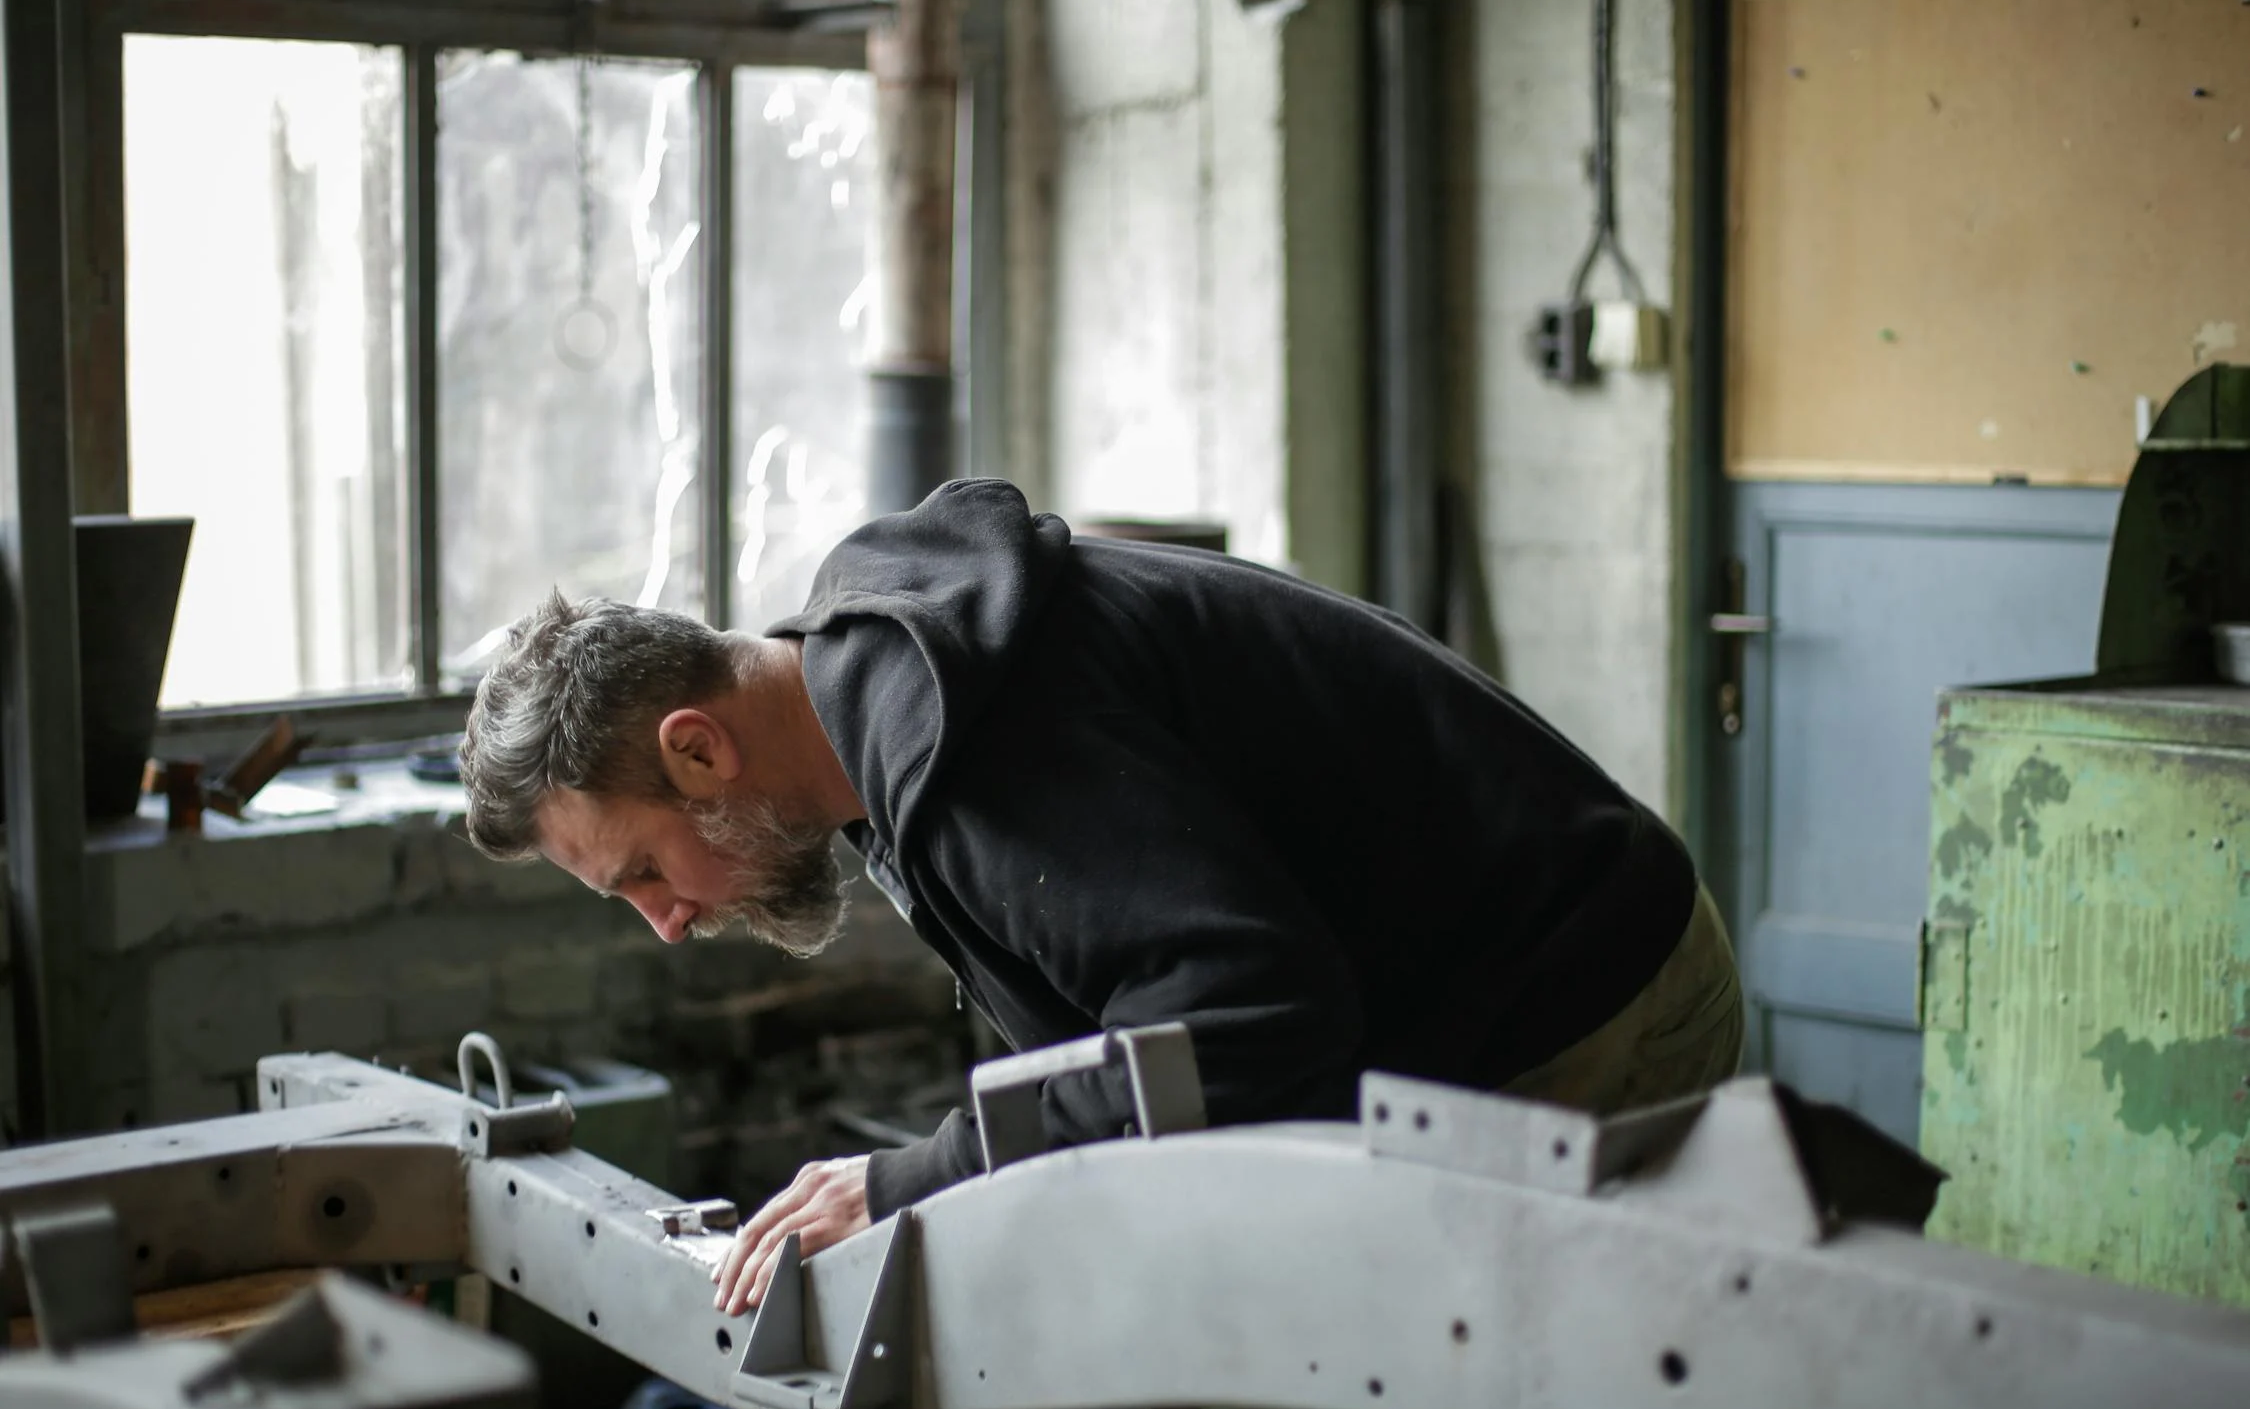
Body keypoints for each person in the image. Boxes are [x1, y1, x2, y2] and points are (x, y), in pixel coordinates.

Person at [457, 478, 1742, 1321]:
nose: (666, 922)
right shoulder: (879, 689)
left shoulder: (976, 744)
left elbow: (1252, 1016)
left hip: (1573, 994)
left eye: (639, 872)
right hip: (1510, 971)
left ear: (696, 750)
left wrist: (919, 1176)